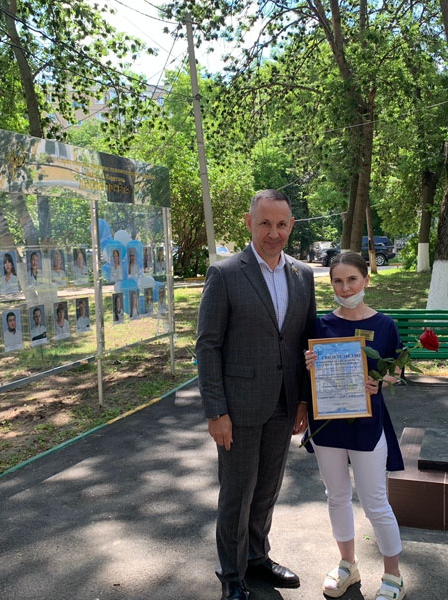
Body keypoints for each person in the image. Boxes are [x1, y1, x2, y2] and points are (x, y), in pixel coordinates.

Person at [196, 189, 315, 600]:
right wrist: (216, 412)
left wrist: (304, 400)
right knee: (237, 494)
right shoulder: (225, 274)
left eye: (281, 224)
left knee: (266, 489)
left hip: (284, 404)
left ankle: (257, 558)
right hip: (238, 408)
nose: (273, 232)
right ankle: (232, 575)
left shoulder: (302, 275)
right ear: (249, 223)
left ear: (291, 226)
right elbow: (208, 345)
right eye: (265, 223)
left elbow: (306, 340)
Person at [303, 251, 405, 600]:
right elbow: (308, 373)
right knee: (336, 496)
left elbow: (396, 370)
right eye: (337, 281)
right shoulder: (319, 325)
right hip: (327, 425)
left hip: (367, 426)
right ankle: (348, 565)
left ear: (366, 280)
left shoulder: (385, 324)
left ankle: (393, 576)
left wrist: (382, 381)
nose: (345, 288)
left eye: (352, 280)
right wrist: (309, 363)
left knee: (375, 501)